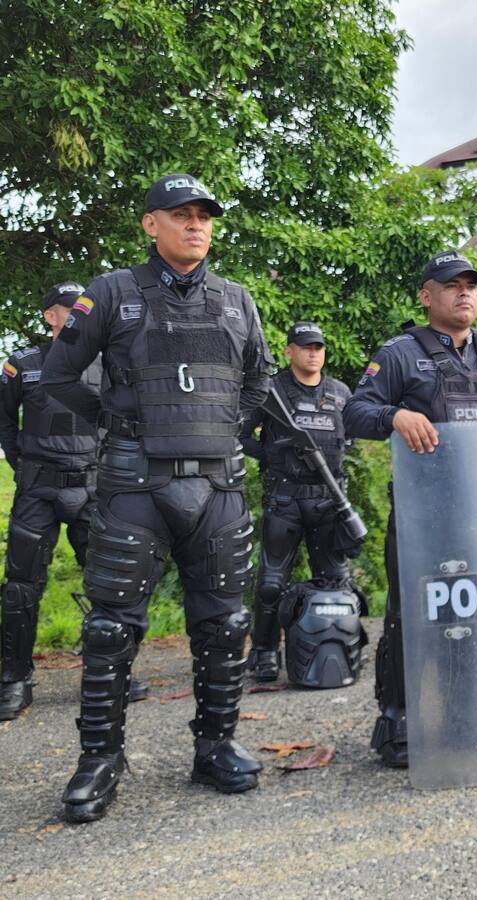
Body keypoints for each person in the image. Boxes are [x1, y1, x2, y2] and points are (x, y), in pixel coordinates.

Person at [41, 174, 274, 822]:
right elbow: (60, 376)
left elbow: (259, 379)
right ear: (151, 224)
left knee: (225, 624)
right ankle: (99, 759)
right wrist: (119, 417)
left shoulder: (237, 300)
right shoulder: (113, 293)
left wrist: (230, 429)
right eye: (180, 214)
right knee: (111, 629)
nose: (195, 224)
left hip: (218, 486)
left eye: (203, 215)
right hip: (135, 483)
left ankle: (217, 746)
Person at [343, 250, 477, 768]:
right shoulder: (399, 353)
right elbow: (355, 411)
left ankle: (476, 713)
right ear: (427, 295)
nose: (465, 292)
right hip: (429, 518)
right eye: (451, 284)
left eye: (471, 285)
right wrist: (395, 415)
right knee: (411, 615)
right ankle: (397, 720)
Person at [0, 284, 148, 718]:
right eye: (70, 310)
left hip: (93, 489)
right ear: (51, 316)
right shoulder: (22, 366)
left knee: (113, 585)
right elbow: (4, 422)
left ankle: (113, 670)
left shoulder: (108, 366)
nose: (80, 317)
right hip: (39, 489)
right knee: (21, 589)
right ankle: (14, 680)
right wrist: (20, 463)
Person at [239, 321, 353, 682]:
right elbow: (238, 433)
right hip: (285, 498)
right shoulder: (270, 392)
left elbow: (351, 437)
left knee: (335, 580)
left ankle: (337, 646)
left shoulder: (339, 392)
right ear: (289, 351)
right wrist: (271, 453)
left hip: (329, 500)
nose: (313, 353)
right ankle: (264, 651)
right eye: (305, 347)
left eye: (318, 347)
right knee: (272, 582)